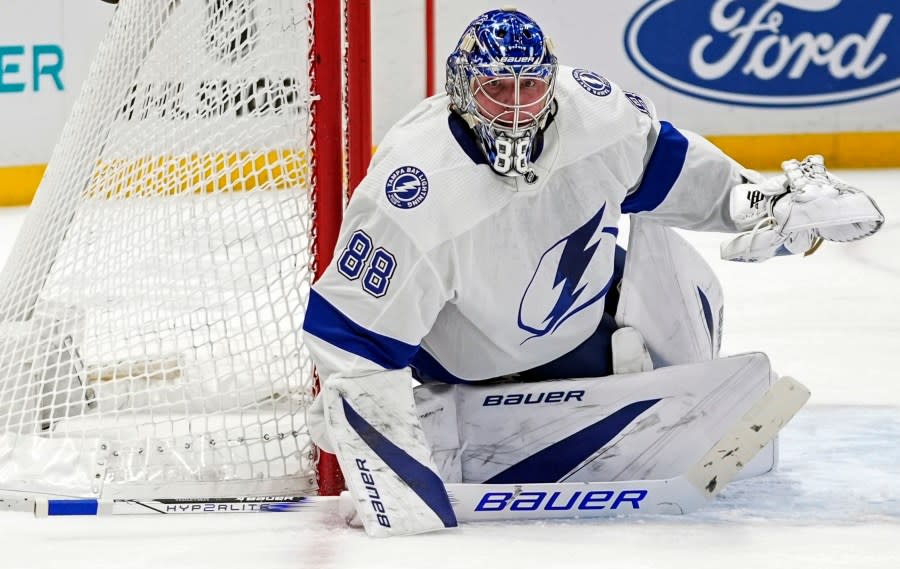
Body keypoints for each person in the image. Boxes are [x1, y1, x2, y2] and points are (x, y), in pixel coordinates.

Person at [302, 7, 883, 537]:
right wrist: (395, 484)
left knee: (678, 272)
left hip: (580, 325)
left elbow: (679, 178)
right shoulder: (413, 192)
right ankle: (483, 421)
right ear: (462, 89)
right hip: (470, 362)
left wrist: (769, 207)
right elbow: (353, 341)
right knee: (369, 395)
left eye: (529, 86)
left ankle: (620, 410)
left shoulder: (594, 113)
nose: (515, 106)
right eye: (497, 88)